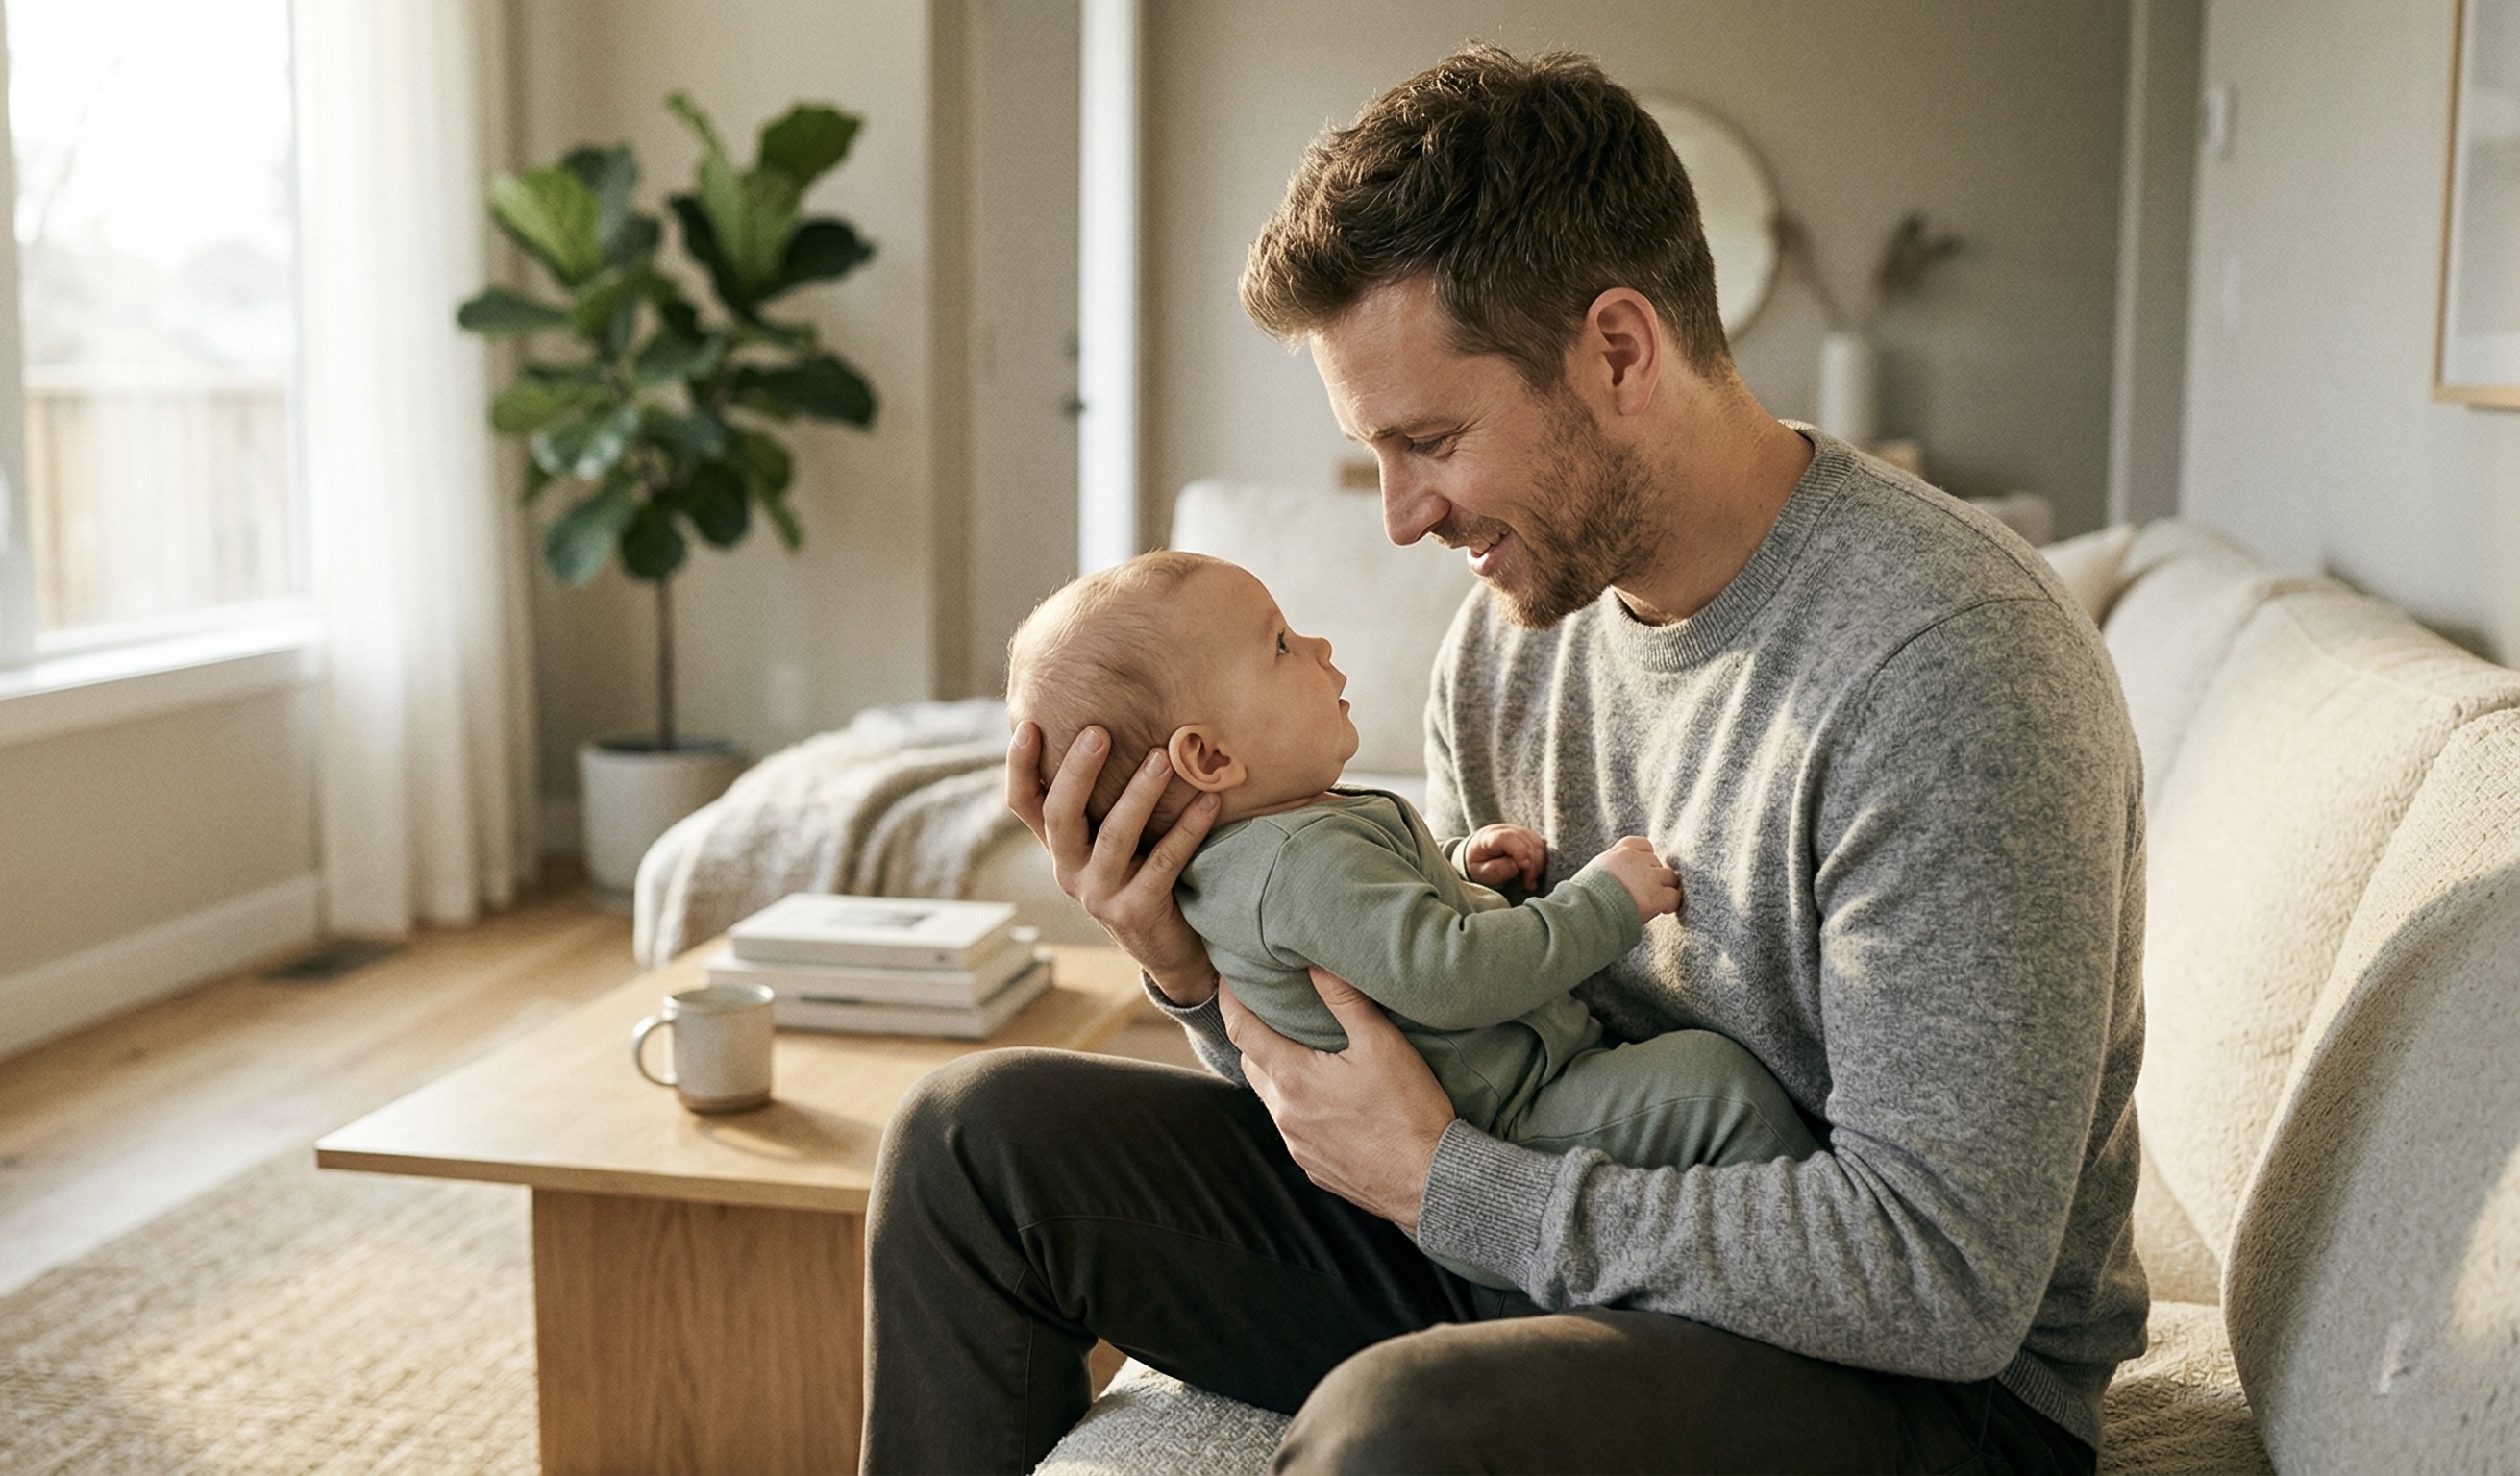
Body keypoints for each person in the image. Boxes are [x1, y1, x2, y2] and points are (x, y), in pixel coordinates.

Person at [864, 44, 2145, 1474]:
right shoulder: (1515, 633)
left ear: (1618, 349)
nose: (1403, 518)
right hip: (1546, 1207)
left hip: (1912, 1382)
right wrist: (1194, 970)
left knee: (1398, 1430)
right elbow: (1425, 1071)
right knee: (974, 1141)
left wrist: (1456, 1194)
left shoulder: (1949, 668)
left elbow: (1942, 1279)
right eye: (1376, 453)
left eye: (1431, 441)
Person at [1001, 550, 1817, 1290]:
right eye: (1281, 645)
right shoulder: (1297, 862)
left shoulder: (1279, 847)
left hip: (1477, 1130)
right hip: (1508, 1131)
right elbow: (1451, 975)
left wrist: (1461, 866)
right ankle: (1788, 1284)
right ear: (1208, 758)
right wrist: (1605, 902)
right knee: (1722, 1089)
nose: (1319, 647)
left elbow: (1379, 929)